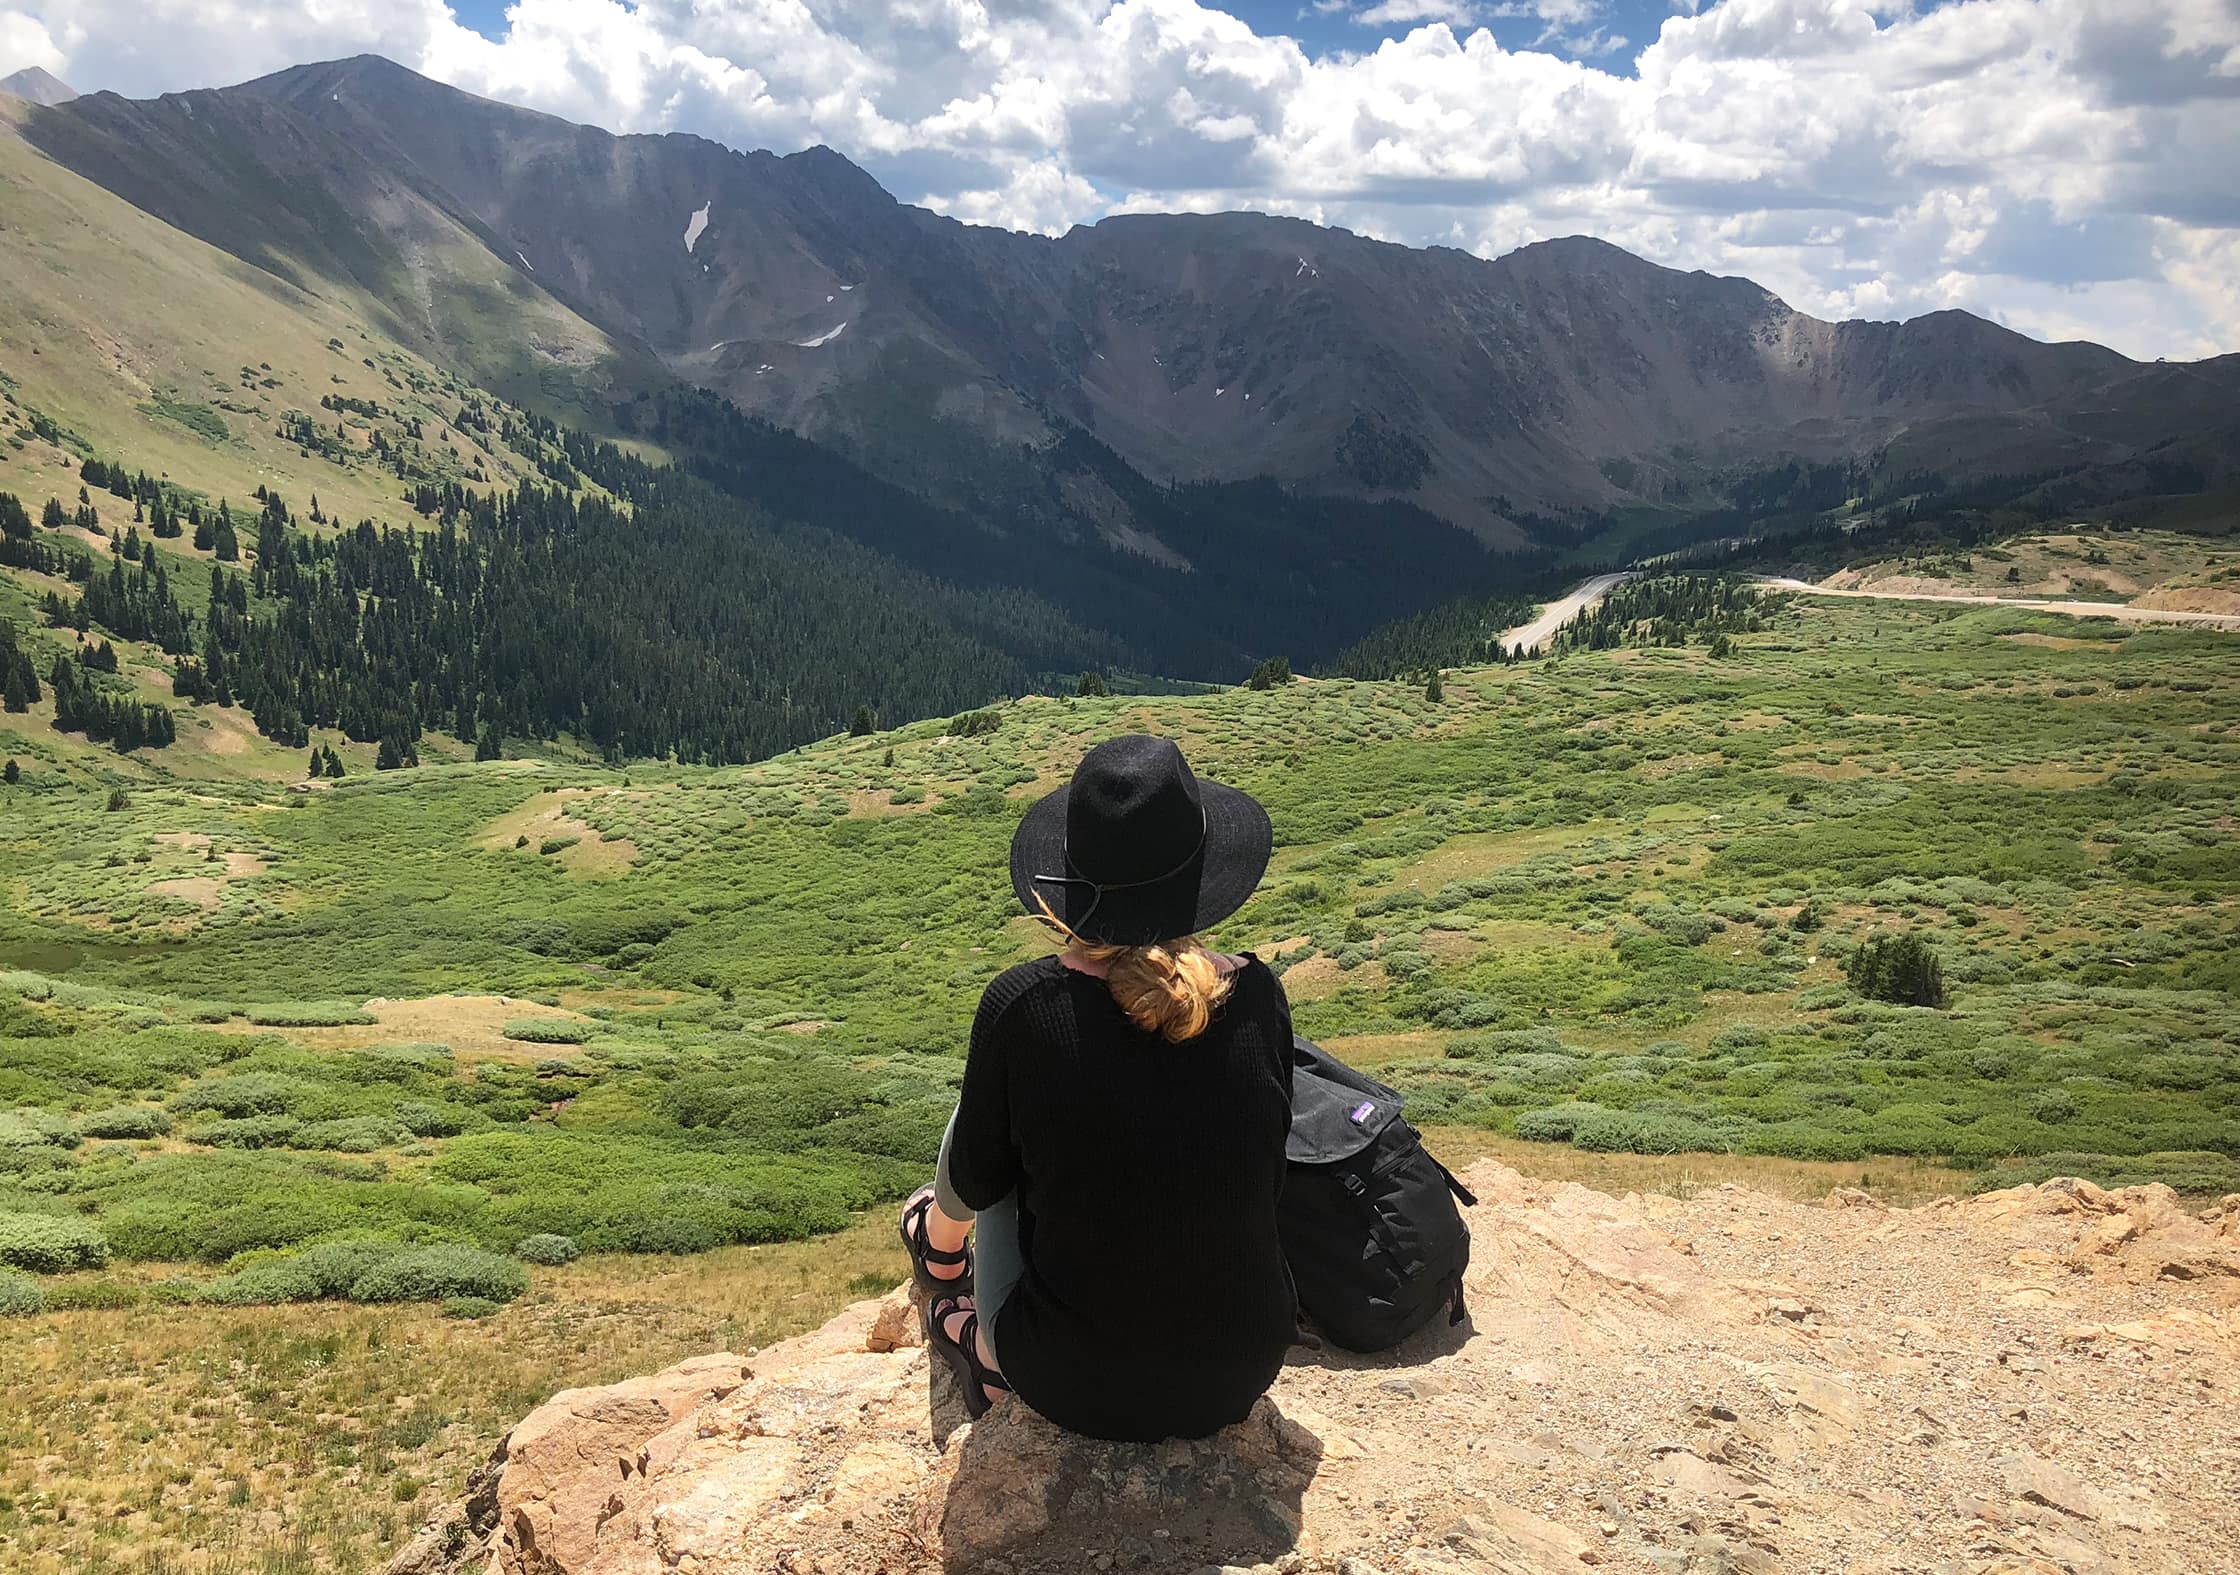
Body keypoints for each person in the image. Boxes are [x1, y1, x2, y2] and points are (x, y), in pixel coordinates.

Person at [896, 733, 1298, 1442]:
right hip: (1241, 1368)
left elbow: (983, 1175)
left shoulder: (1024, 1006)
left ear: (1069, 888)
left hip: (1069, 1382)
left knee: (985, 1123)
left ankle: (958, 1289)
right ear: (1199, 876)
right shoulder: (1260, 996)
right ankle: (949, 1258)